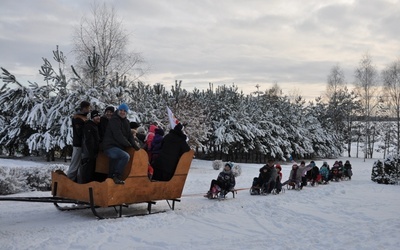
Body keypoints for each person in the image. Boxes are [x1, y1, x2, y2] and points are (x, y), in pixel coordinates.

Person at [102, 103, 140, 184]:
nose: (122, 112)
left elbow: (130, 136)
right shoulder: (114, 120)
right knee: (125, 156)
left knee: (113, 165)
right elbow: (118, 135)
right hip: (110, 146)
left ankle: (110, 183)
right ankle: (117, 176)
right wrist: (128, 144)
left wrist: (136, 147)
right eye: (121, 110)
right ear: (118, 110)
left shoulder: (126, 121)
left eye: (124, 111)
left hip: (118, 147)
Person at [67, 101, 91, 182]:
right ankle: (68, 181)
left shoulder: (84, 117)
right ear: (83, 108)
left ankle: (78, 182)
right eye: (87, 108)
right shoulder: (77, 118)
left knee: (81, 166)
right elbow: (80, 132)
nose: (88, 109)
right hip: (78, 144)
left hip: (83, 145)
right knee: (75, 164)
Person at [79, 110, 101, 183]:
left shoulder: (94, 126)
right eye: (96, 116)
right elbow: (88, 141)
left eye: (98, 116)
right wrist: (91, 153)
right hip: (88, 154)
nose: (98, 117)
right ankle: (84, 188)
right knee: (87, 172)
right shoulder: (89, 126)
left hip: (92, 154)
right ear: (92, 117)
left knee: (91, 172)